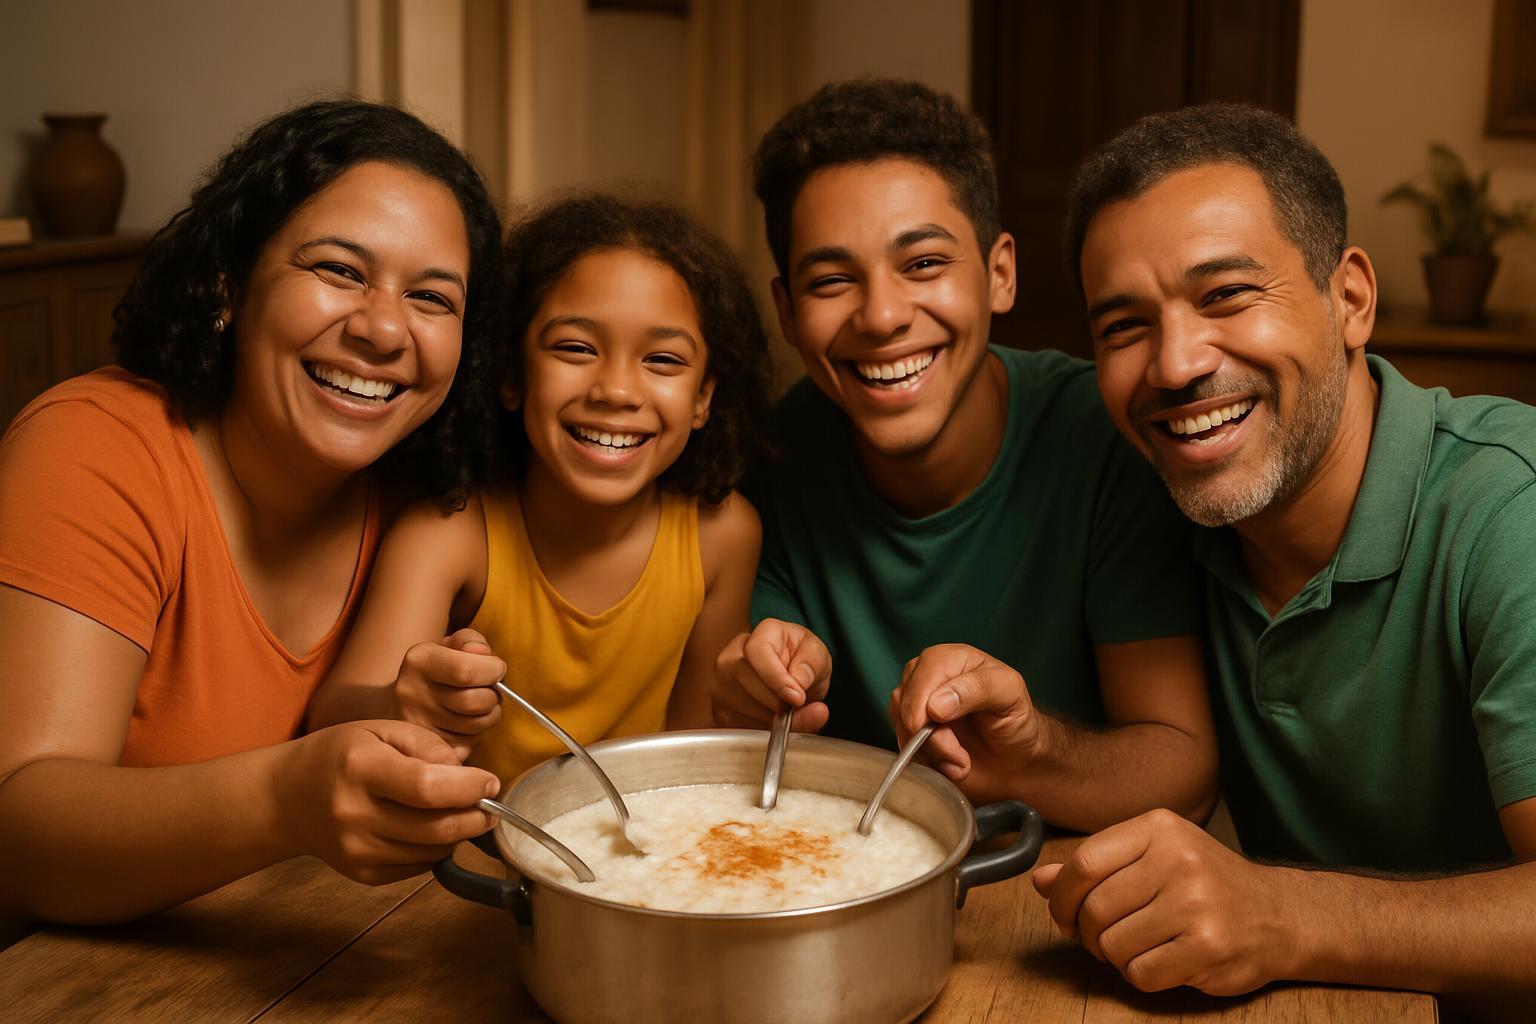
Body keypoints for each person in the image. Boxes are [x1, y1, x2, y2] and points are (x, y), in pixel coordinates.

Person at [931, 103, 1536, 1006]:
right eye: (1124, 327)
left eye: (1226, 295)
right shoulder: (1160, 507)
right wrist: (1026, 750)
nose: (1174, 364)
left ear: (1351, 299)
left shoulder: (1507, 509)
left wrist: (1281, 914)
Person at [0, 100, 512, 925]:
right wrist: (285, 797)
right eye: (340, 270)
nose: (384, 328)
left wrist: (411, 714)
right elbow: (14, 839)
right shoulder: (96, 447)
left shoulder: (423, 498)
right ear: (227, 286)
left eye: (433, 297)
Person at [711, 78, 1219, 834]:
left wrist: (1033, 751)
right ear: (787, 311)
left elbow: (1186, 774)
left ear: (1000, 273)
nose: (882, 316)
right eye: (831, 280)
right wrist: (753, 691)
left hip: (1063, 890)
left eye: (922, 265)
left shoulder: (1104, 435)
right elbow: (752, 754)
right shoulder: (772, 458)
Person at [326, 193, 770, 782]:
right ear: (511, 374)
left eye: (662, 360)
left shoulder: (724, 536)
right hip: (469, 859)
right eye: (576, 348)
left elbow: (699, 757)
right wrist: (402, 704)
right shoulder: (447, 537)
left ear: (704, 399)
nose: (615, 390)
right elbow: (332, 726)